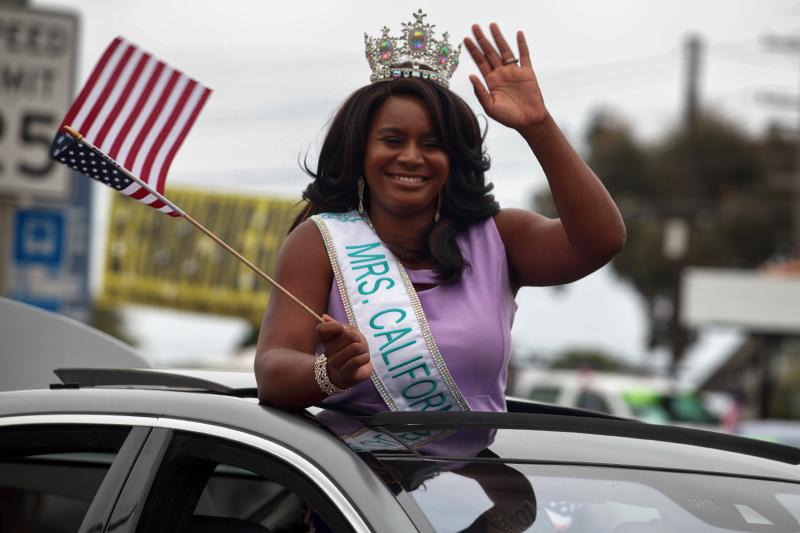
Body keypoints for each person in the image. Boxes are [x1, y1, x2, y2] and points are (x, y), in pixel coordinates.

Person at [255, 11, 625, 412]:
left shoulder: (497, 238)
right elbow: (273, 372)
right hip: (347, 472)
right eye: (392, 141)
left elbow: (601, 240)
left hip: (472, 472)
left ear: (454, 159)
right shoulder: (320, 241)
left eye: (432, 144)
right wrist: (330, 372)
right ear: (360, 151)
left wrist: (538, 126)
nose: (411, 157)